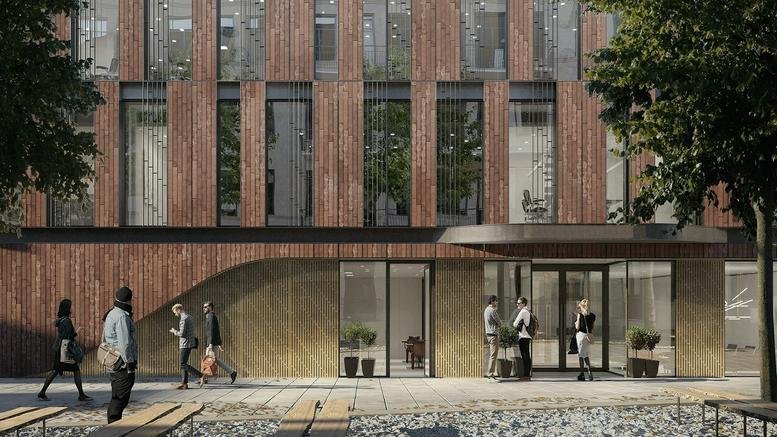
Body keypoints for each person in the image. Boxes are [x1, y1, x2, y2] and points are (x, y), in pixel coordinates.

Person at [37, 299, 92, 401]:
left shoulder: (61, 320)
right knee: (75, 370)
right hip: (66, 350)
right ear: (67, 308)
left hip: (60, 349)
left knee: (55, 370)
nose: (72, 309)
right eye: (70, 307)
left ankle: (42, 392)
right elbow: (69, 336)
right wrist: (78, 331)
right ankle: (81, 395)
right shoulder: (67, 321)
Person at [103, 286, 138, 423]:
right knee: (120, 400)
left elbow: (104, 339)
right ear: (129, 301)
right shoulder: (122, 316)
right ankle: (113, 429)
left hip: (113, 361)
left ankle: (113, 427)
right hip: (122, 364)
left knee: (117, 396)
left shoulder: (111, 313)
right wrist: (130, 363)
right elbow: (125, 343)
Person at [199, 301, 238, 386]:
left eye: (206, 307)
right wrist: (219, 343)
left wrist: (210, 344)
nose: (204, 309)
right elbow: (217, 331)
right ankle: (232, 372)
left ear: (210, 307)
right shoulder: (210, 316)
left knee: (208, 360)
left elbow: (212, 331)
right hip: (212, 342)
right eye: (203, 307)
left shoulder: (211, 316)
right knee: (213, 359)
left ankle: (203, 378)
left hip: (211, 343)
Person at [170, 303, 202, 389]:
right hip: (190, 343)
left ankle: (201, 375)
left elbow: (182, 334)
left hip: (185, 344)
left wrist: (174, 331)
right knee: (184, 363)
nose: (175, 314)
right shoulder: (190, 317)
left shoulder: (183, 319)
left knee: (182, 364)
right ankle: (184, 383)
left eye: (175, 312)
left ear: (178, 309)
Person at [575, 298, 596, 381]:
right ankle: (590, 372)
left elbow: (577, 327)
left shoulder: (580, 315)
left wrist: (576, 322)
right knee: (586, 355)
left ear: (582, 306)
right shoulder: (593, 316)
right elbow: (592, 328)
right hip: (588, 336)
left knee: (580, 355)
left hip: (581, 336)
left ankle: (582, 374)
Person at [512, 296, 532, 381]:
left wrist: (518, 323)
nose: (517, 304)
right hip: (527, 336)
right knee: (527, 356)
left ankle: (526, 375)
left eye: (519, 303)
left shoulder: (523, 311)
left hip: (523, 336)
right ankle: (527, 374)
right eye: (517, 303)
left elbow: (515, 324)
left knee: (525, 356)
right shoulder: (528, 311)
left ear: (523, 304)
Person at [483, 295, 501, 379]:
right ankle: (490, 374)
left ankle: (490, 373)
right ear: (492, 301)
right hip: (493, 335)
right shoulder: (492, 311)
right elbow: (499, 322)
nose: (497, 303)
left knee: (492, 355)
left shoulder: (486, 310)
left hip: (488, 334)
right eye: (496, 301)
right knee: (493, 355)